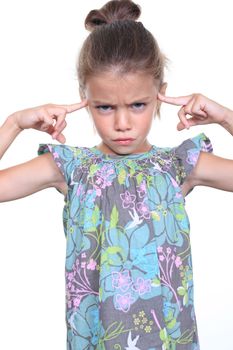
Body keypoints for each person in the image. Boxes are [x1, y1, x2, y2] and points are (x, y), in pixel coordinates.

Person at [0, 0, 233, 349]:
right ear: (84, 97)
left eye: (138, 105)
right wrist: (15, 122)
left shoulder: (177, 167)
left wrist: (225, 116)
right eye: (105, 107)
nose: (122, 123)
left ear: (161, 95)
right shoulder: (72, 169)